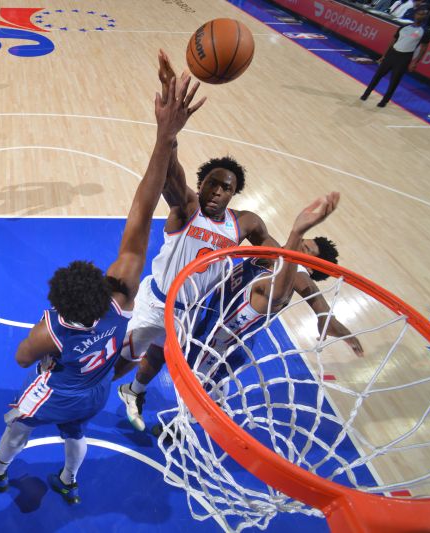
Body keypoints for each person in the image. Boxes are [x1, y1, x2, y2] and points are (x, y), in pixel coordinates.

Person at [0, 68, 206, 505]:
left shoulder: (53, 330)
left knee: (18, 423)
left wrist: (48, 357)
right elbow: (143, 205)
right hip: (97, 391)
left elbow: (24, 357)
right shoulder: (121, 300)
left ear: (60, 304)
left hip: (60, 390)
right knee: (75, 430)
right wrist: (165, 136)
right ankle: (68, 480)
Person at [117, 51, 362, 432]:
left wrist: (320, 311)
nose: (216, 190)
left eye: (225, 186)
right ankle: (91, 386)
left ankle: (134, 392)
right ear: (201, 185)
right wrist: (171, 132)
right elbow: (170, 174)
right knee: (120, 358)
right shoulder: (187, 207)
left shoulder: (245, 224)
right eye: (211, 183)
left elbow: (284, 260)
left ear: (235, 193)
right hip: (157, 299)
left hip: (195, 312)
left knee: (160, 358)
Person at [187, 193, 341, 400]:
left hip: (218, 350)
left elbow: (295, 278)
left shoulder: (277, 288)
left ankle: (182, 427)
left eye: (303, 249)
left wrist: (297, 231)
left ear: (307, 270)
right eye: (302, 241)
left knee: (191, 395)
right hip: (212, 331)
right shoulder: (273, 255)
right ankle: (216, 391)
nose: (294, 245)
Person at [361, 8, 430, 107]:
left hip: (405, 57)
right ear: (415, 15)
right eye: (419, 13)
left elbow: (424, 48)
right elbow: (393, 41)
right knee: (378, 75)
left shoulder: (425, 31)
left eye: (423, 14)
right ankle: (366, 94)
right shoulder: (404, 26)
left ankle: (384, 101)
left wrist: (415, 62)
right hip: (392, 53)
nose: (420, 16)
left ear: (426, 17)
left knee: (394, 81)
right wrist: (385, 55)